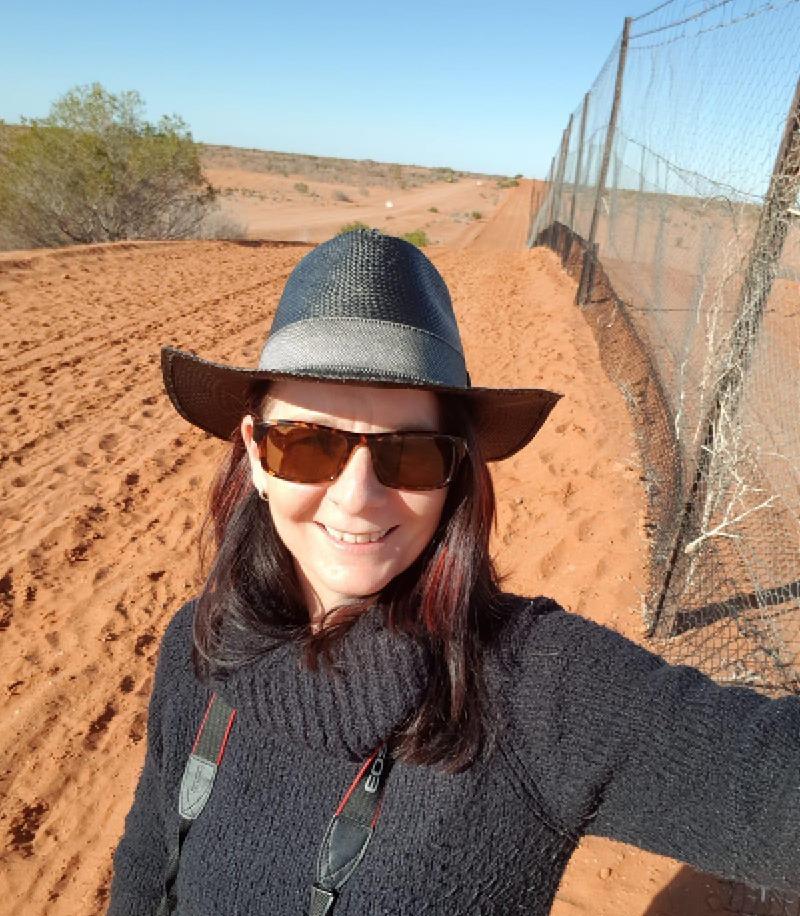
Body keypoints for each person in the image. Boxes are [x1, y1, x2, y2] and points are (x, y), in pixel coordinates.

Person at [108, 229, 799, 916]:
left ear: (456, 473)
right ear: (256, 454)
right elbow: (145, 861)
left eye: (409, 454)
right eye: (309, 445)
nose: (357, 497)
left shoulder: (535, 687)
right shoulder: (199, 643)